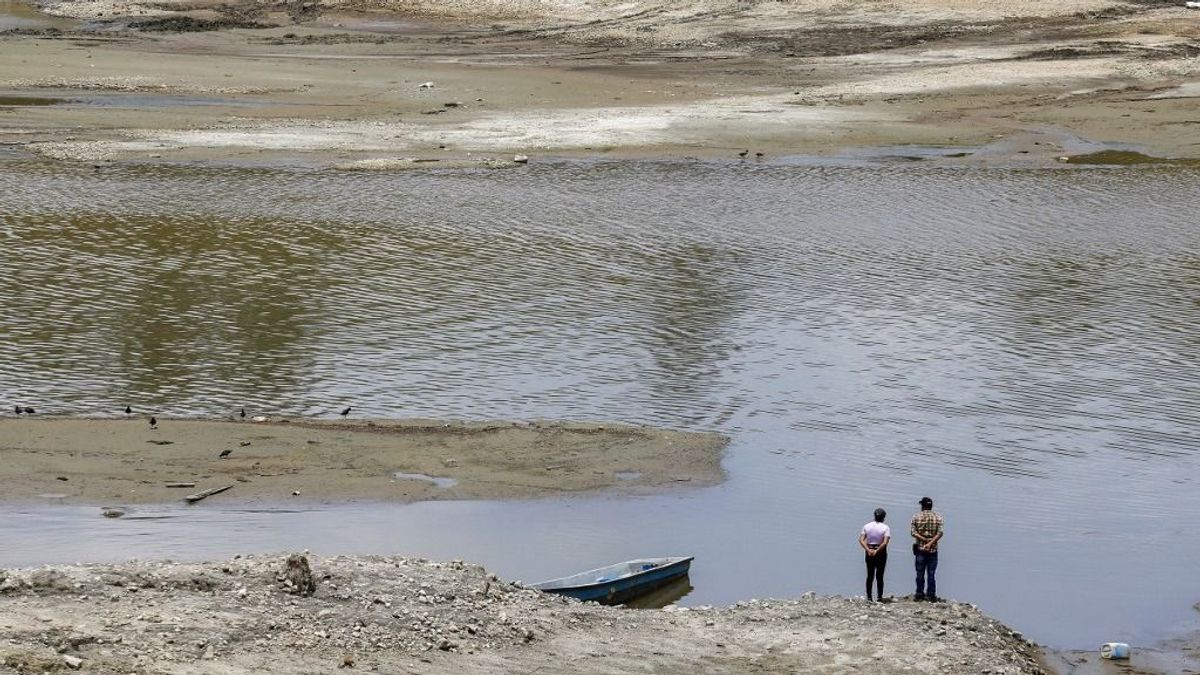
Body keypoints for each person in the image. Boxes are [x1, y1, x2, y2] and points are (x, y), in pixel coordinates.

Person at [911, 496, 944, 602]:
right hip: (933, 549)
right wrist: (930, 543)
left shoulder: (916, 517)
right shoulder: (938, 517)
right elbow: (940, 533)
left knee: (919, 572)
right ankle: (931, 595)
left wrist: (924, 540)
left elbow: (913, 532)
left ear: (923, 506)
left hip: (920, 549)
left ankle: (919, 593)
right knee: (931, 573)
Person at [858, 507, 891, 602]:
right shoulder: (885, 527)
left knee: (870, 575)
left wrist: (868, 549)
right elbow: (885, 542)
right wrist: (877, 551)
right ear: (883, 518)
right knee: (880, 576)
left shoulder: (866, 526)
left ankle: (869, 597)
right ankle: (879, 597)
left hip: (869, 550)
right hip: (880, 552)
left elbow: (861, 539)